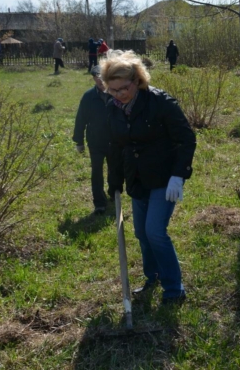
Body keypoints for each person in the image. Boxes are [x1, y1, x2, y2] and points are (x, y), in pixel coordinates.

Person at [104, 50, 196, 305]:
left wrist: (179, 175)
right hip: (137, 179)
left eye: (124, 88)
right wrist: (115, 181)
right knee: (142, 235)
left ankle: (174, 289)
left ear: (137, 80)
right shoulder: (113, 107)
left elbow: (186, 139)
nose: (119, 94)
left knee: (155, 231)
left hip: (164, 178)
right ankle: (152, 276)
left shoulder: (160, 102)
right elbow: (116, 145)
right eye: (113, 90)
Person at [73, 65, 112, 215]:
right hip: (95, 141)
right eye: (98, 77)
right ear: (94, 78)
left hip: (114, 140)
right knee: (96, 171)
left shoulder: (115, 93)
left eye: (103, 77)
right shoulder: (88, 97)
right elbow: (81, 119)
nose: (101, 80)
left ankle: (114, 192)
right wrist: (79, 141)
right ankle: (99, 202)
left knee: (114, 169)